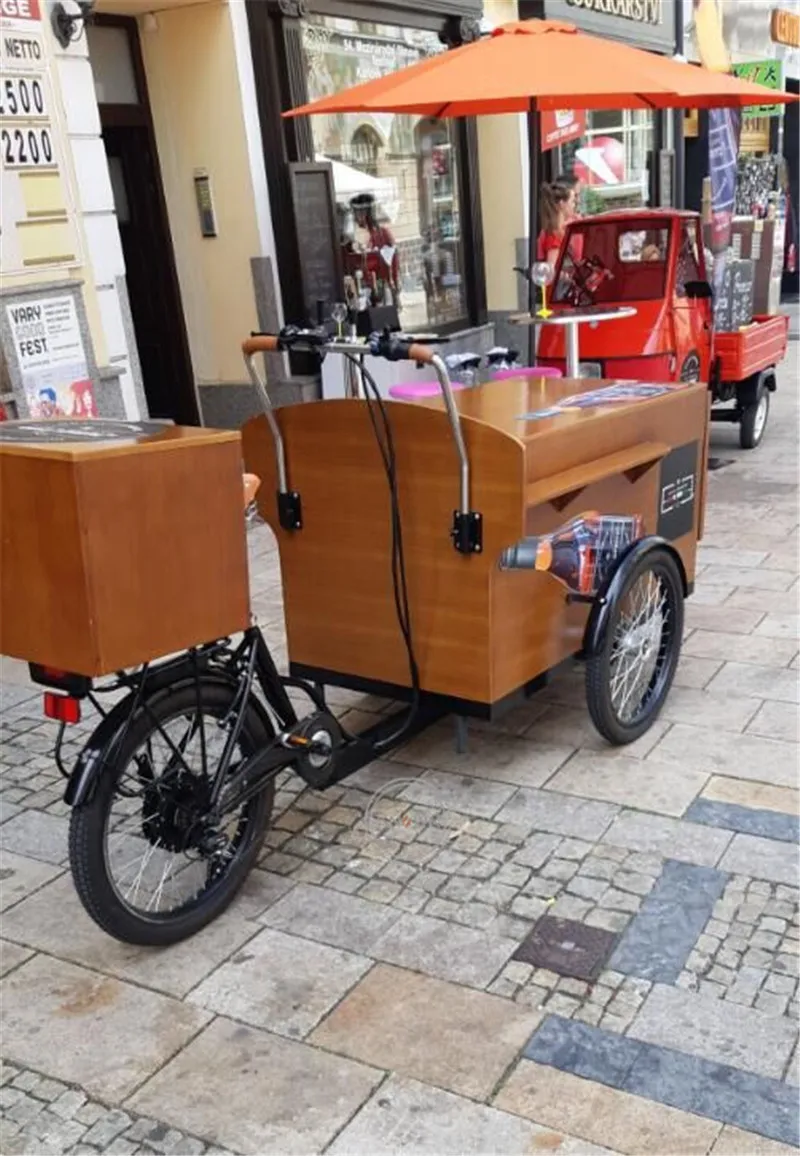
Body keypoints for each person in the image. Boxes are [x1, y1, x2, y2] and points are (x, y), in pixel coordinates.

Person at [536, 182, 571, 269]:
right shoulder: (554, 235)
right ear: (562, 204)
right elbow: (552, 268)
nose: (574, 206)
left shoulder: (553, 231)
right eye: (572, 202)